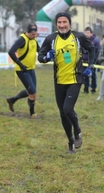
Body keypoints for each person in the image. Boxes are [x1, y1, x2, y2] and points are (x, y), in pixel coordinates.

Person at [38, 12, 95, 153]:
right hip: (59, 80)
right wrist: (47, 57)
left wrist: (90, 67)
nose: (62, 25)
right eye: (59, 23)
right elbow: (40, 56)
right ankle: (71, 142)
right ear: (56, 24)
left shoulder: (79, 36)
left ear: (69, 23)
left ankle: (78, 131)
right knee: (63, 114)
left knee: (68, 109)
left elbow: (92, 49)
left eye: (65, 22)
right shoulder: (51, 38)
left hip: (76, 78)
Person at [6, 23, 40, 118]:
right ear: (28, 32)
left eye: (35, 34)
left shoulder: (34, 40)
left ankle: (12, 100)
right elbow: (11, 52)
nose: (34, 36)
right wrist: (21, 65)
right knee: (32, 92)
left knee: (32, 92)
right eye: (33, 34)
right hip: (22, 70)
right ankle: (32, 113)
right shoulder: (22, 39)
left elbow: (40, 51)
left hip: (31, 69)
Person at [82, 27, 101, 94]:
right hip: (84, 61)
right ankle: (86, 89)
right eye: (85, 33)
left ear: (91, 33)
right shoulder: (84, 40)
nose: (86, 34)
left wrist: (93, 62)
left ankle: (93, 89)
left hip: (92, 62)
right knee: (85, 76)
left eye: (88, 33)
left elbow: (97, 52)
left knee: (93, 76)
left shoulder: (95, 41)